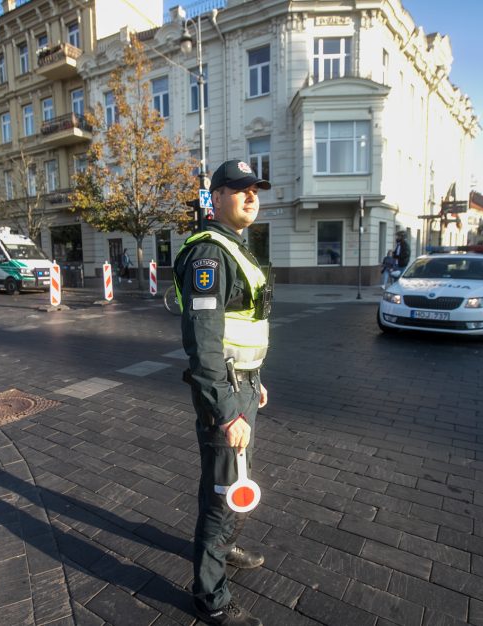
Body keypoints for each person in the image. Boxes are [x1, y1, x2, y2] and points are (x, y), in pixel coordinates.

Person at [174, 159, 272, 626]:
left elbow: (243, 327)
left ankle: (225, 546)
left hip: (243, 386)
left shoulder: (237, 248)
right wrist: (229, 409)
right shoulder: (210, 255)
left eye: (255, 189)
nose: (251, 196)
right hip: (225, 395)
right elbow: (203, 340)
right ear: (215, 198)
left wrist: (255, 379)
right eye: (239, 189)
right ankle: (209, 596)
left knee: (234, 479)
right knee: (219, 492)